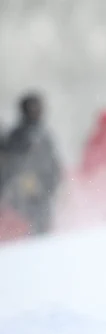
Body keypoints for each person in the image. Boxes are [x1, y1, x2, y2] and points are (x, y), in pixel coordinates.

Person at [0, 92, 61, 236]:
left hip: (43, 193)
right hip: (22, 198)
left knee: (44, 233)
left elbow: (52, 163)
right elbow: (9, 165)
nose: (37, 111)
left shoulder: (44, 134)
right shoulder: (16, 136)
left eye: (38, 107)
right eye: (32, 108)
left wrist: (53, 183)